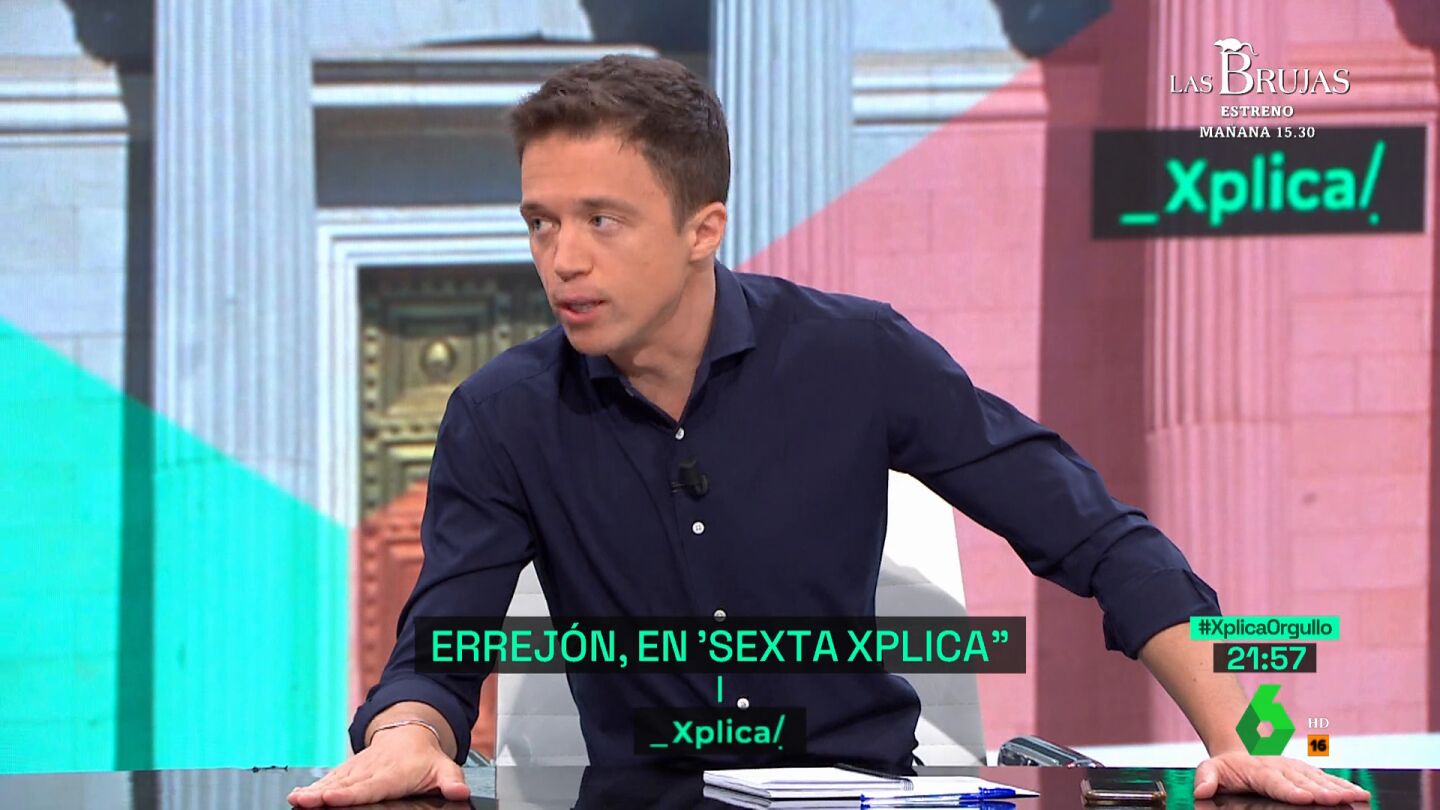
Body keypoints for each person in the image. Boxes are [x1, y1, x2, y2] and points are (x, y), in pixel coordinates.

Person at [290, 55, 1368, 807]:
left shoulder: (858, 357)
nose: (562, 259)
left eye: (602, 221)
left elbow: (1094, 537)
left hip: (864, 794)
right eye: (541, 223)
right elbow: (440, 650)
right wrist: (407, 735)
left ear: (703, 228)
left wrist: (1243, 736)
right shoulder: (502, 413)